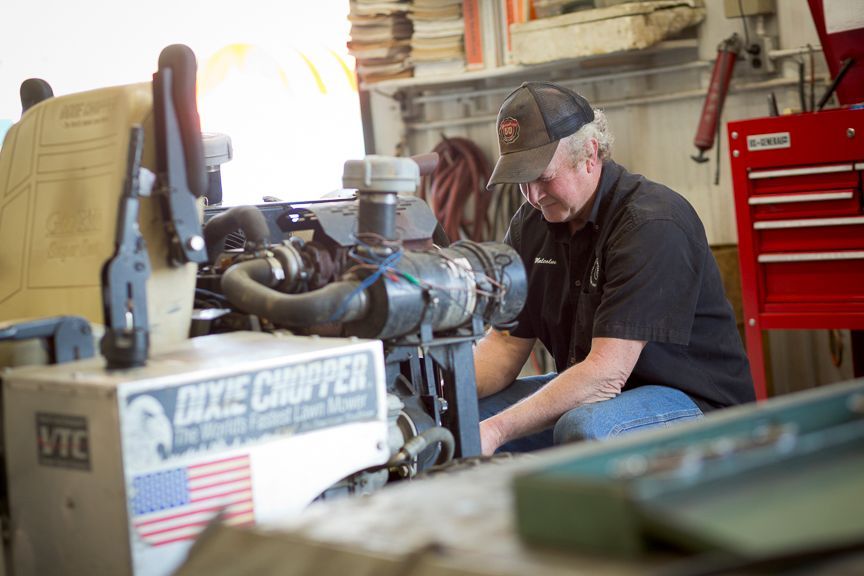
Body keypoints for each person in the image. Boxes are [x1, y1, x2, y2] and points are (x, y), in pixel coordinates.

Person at [475, 81, 754, 455]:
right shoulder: (531, 225)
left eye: (543, 177)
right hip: (601, 393)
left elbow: (606, 375)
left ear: (590, 154)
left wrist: (495, 431)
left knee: (583, 427)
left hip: (697, 405)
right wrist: (433, 391)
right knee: (463, 414)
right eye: (521, 182)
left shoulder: (651, 223)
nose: (534, 196)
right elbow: (505, 345)